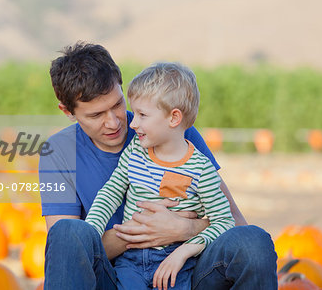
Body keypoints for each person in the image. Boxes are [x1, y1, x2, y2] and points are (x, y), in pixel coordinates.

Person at [40, 42, 277, 290]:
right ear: (67, 111)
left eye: (118, 105)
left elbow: (234, 222)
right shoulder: (57, 153)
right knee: (67, 232)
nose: (114, 123)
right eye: (96, 115)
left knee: (253, 241)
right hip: (115, 276)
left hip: (184, 272)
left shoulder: (170, 131)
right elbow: (71, 254)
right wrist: (143, 230)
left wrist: (186, 228)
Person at [84, 62, 235, 290]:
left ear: (174, 118)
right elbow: (111, 191)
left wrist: (184, 251)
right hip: (130, 260)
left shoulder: (201, 169)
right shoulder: (135, 151)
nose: (133, 123)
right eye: (134, 113)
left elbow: (224, 222)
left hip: (176, 262)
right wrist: (92, 230)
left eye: (142, 115)